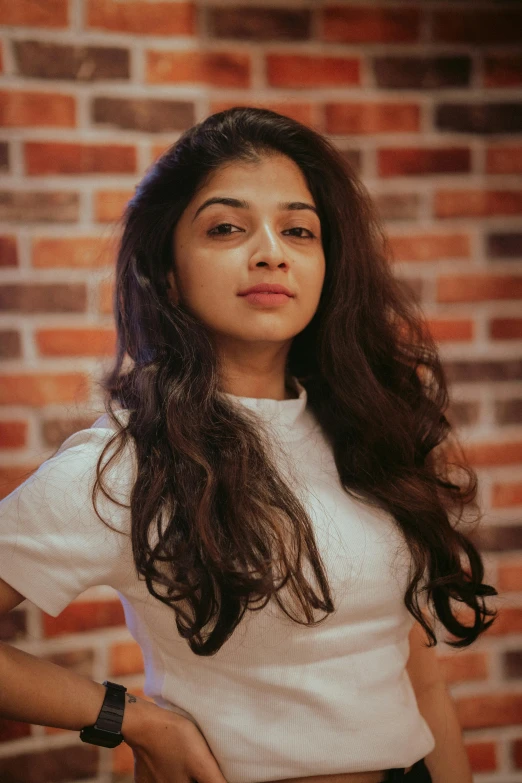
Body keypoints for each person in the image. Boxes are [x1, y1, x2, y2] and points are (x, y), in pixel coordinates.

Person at [0, 106, 497, 783]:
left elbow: (420, 676)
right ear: (168, 273)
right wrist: (131, 718)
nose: (272, 250)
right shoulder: (127, 462)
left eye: (299, 229)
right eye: (227, 227)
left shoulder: (367, 432)